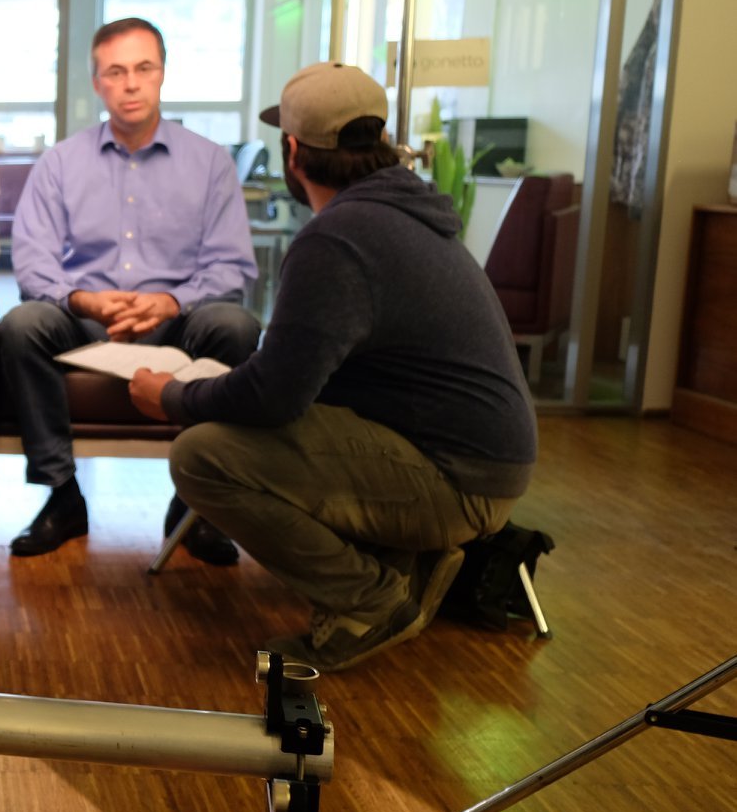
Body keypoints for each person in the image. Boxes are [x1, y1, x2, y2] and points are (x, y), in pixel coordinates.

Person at [128, 62, 537, 672]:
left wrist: (172, 396)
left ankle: (369, 602)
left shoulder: (339, 238)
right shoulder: (406, 214)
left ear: (292, 152)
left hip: (458, 481)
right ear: (381, 140)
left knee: (202, 455)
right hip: (481, 464)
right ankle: (408, 562)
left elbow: (273, 396)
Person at [0, 17, 261, 561]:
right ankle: (62, 495)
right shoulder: (61, 163)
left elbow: (232, 265)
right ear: (97, 83)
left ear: (163, 73)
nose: (132, 83)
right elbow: (32, 260)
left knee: (236, 325)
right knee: (22, 324)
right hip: (85, 319)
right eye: (116, 72)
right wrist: (81, 300)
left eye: (144, 68)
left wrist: (171, 301)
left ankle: (194, 502)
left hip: (178, 319)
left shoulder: (209, 162)